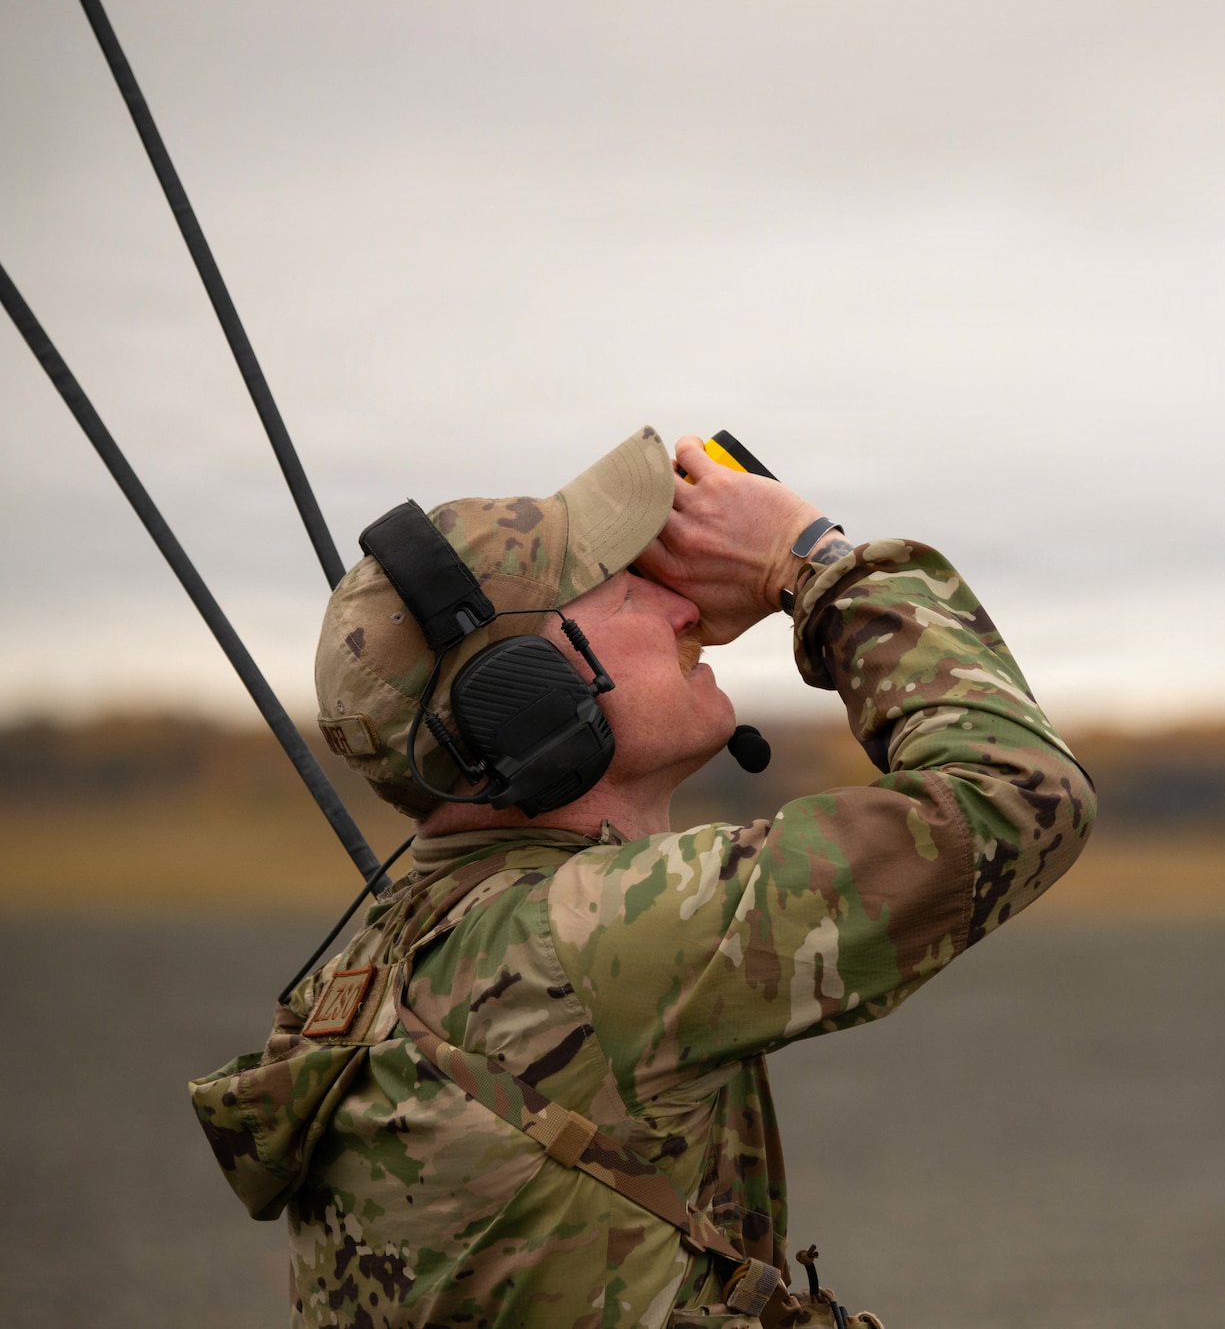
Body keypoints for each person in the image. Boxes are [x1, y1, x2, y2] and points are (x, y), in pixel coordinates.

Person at [189, 428, 1096, 1328]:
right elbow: (1017, 793)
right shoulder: (592, 935)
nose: (681, 613)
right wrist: (815, 563)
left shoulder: (386, 957)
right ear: (529, 696)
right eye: (627, 591)